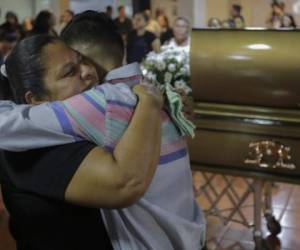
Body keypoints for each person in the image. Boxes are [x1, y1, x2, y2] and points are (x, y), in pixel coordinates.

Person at [0, 11, 205, 249]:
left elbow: (7, 125)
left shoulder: (102, 101)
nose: (86, 72)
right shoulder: (145, 92)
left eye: (81, 62)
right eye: (69, 71)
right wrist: (150, 102)